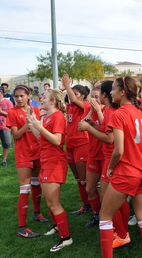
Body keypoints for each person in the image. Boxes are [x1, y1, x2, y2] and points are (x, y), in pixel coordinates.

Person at [99, 77, 142, 258]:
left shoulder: (119, 114)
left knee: (105, 216)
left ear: (123, 92)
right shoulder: (141, 113)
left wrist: (110, 167)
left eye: (114, 89)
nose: (111, 92)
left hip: (128, 171)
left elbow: (118, 150)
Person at [78, 81, 130, 249]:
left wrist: (89, 127)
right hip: (110, 157)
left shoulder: (111, 112)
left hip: (111, 158)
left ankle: (121, 233)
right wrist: (93, 124)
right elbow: (106, 129)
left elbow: (109, 139)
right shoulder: (109, 111)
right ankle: (121, 231)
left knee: (109, 200)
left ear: (105, 95)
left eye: (98, 94)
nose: (96, 98)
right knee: (114, 199)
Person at [27, 89, 72, 252]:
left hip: (54, 163)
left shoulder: (58, 116)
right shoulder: (48, 117)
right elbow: (41, 138)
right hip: (47, 161)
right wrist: (33, 124)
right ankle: (57, 226)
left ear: (53, 101)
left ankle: (66, 238)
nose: (41, 98)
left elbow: (57, 140)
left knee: (54, 203)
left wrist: (39, 125)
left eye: (45, 97)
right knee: (49, 200)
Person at [6, 85, 47, 238]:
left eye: (22, 96)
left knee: (36, 183)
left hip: (37, 152)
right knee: (24, 188)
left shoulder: (35, 110)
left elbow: (40, 131)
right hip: (23, 155)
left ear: (28, 96)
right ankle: (22, 228)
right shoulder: (12, 112)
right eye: (16, 96)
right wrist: (28, 122)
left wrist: (35, 120)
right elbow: (16, 135)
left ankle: (37, 213)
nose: (18, 99)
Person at [60, 74, 91, 215]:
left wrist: (67, 85)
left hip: (82, 145)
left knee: (84, 180)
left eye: (76, 93)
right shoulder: (70, 107)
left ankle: (93, 206)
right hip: (70, 146)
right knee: (78, 179)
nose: (72, 95)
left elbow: (72, 98)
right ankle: (85, 204)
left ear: (83, 96)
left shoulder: (85, 106)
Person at [82, 86, 104, 228]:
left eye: (97, 97)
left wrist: (98, 110)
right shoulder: (88, 109)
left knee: (104, 190)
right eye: (93, 97)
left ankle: (106, 217)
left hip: (106, 155)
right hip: (93, 153)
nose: (95, 100)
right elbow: (82, 124)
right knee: (89, 188)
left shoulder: (107, 110)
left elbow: (105, 129)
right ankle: (97, 214)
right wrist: (91, 110)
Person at [0, 86, 13, 166]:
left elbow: (12, 115)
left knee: (6, 143)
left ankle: (4, 160)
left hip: (5, 126)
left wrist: (1, 112)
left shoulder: (8, 102)